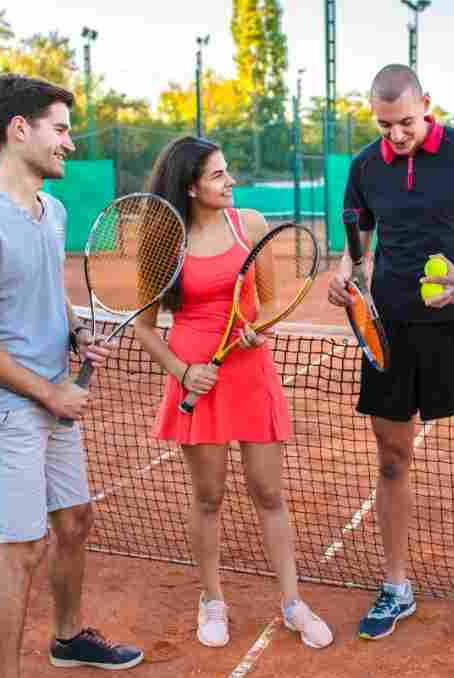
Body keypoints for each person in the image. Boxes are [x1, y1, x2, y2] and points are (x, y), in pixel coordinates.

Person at [0, 73, 144, 678]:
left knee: (76, 521)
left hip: (52, 397)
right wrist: (49, 392)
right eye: (60, 129)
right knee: (24, 548)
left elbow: (48, 294)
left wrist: (77, 332)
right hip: (9, 410)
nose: (69, 143)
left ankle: (68, 637)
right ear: (19, 130)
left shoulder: (51, 211)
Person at [327, 64, 454, 640]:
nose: (397, 134)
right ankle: (396, 586)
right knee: (391, 460)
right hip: (388, 331)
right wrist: (344, 276)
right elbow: (357, 250)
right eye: (385, 125)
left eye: (405, 122)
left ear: (426, 104)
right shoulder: (364, 167)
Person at [133, 136, 332, 650]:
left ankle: (293, 601)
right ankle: (212, 599)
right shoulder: (164, 241)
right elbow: (145, 327)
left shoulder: (251, 226)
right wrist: (182, 372)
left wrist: (257, 330)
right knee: (208, 497)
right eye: (218, 175)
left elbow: (268, 302)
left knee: (269, 492)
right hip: (195, 377)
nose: (231, 181)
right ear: (190, 186)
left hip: (250, 374)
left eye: (227, 171)